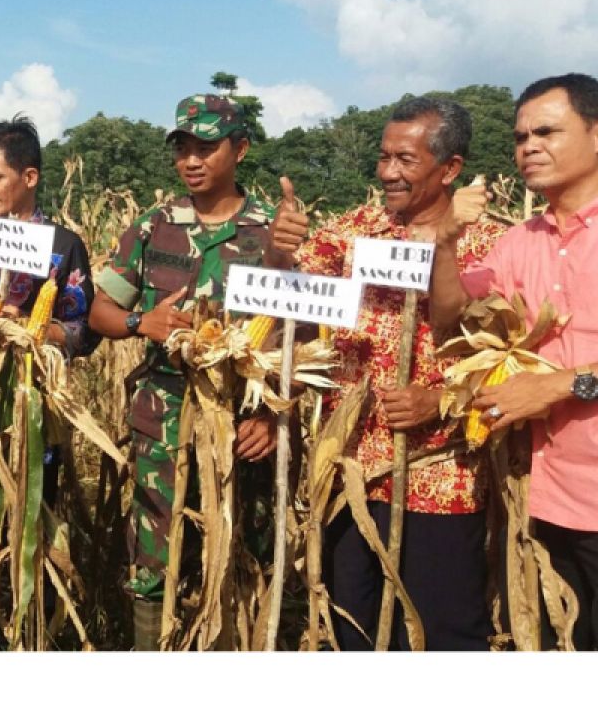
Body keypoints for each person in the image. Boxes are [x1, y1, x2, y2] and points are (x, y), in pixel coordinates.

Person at [273, 96, 506, 650]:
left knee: (442, 630)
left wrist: (440, 400)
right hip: (351, 467)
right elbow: (294, 303)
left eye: (405, 160)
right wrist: (280, 252)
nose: (387, 173)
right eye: (383, 157)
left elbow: (506, 352)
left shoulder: (491, 242)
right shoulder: (358, 228)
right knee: (354, 625)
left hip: (440, 472)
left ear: (450, 169)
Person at [88, 93, 277, 649]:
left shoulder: (270, 235)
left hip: (242, 430)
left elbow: (299, 337)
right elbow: (101, 310)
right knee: (154, 555)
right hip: (162, 421)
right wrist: (142, 321)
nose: (192, 161)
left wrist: (269, 413)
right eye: (183, 150)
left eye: (207, 148)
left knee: (240, 550)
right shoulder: (155, 226)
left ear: (239, 149)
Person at [428, 73, 598, 650]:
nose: (528, 147)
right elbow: (449, 312)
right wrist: (447, 242)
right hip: (539, 496)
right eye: (521, 136)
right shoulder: (519, 240)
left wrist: (561, 385)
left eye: (547, 131)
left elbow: (559, 382)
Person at [0, 114, 101, 504]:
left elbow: (85, 331)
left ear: (29, 177)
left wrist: (31, 328)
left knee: (28, 518)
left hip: (29, 412)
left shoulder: (64, 247)